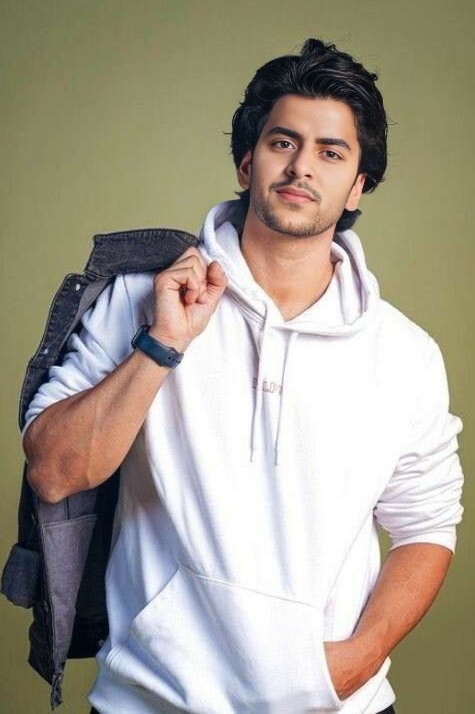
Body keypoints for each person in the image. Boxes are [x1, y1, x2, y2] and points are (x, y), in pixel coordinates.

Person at [21, 37, 464, 714]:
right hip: (149, 701)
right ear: (246, 161)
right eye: (283, 142)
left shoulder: (405, 353)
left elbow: (426, 525)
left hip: (335, 703)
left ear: (357, 185)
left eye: (331, 152)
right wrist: (162, 344)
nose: (301, 166)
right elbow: (54, 472)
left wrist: (355, 662)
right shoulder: (143, 297)